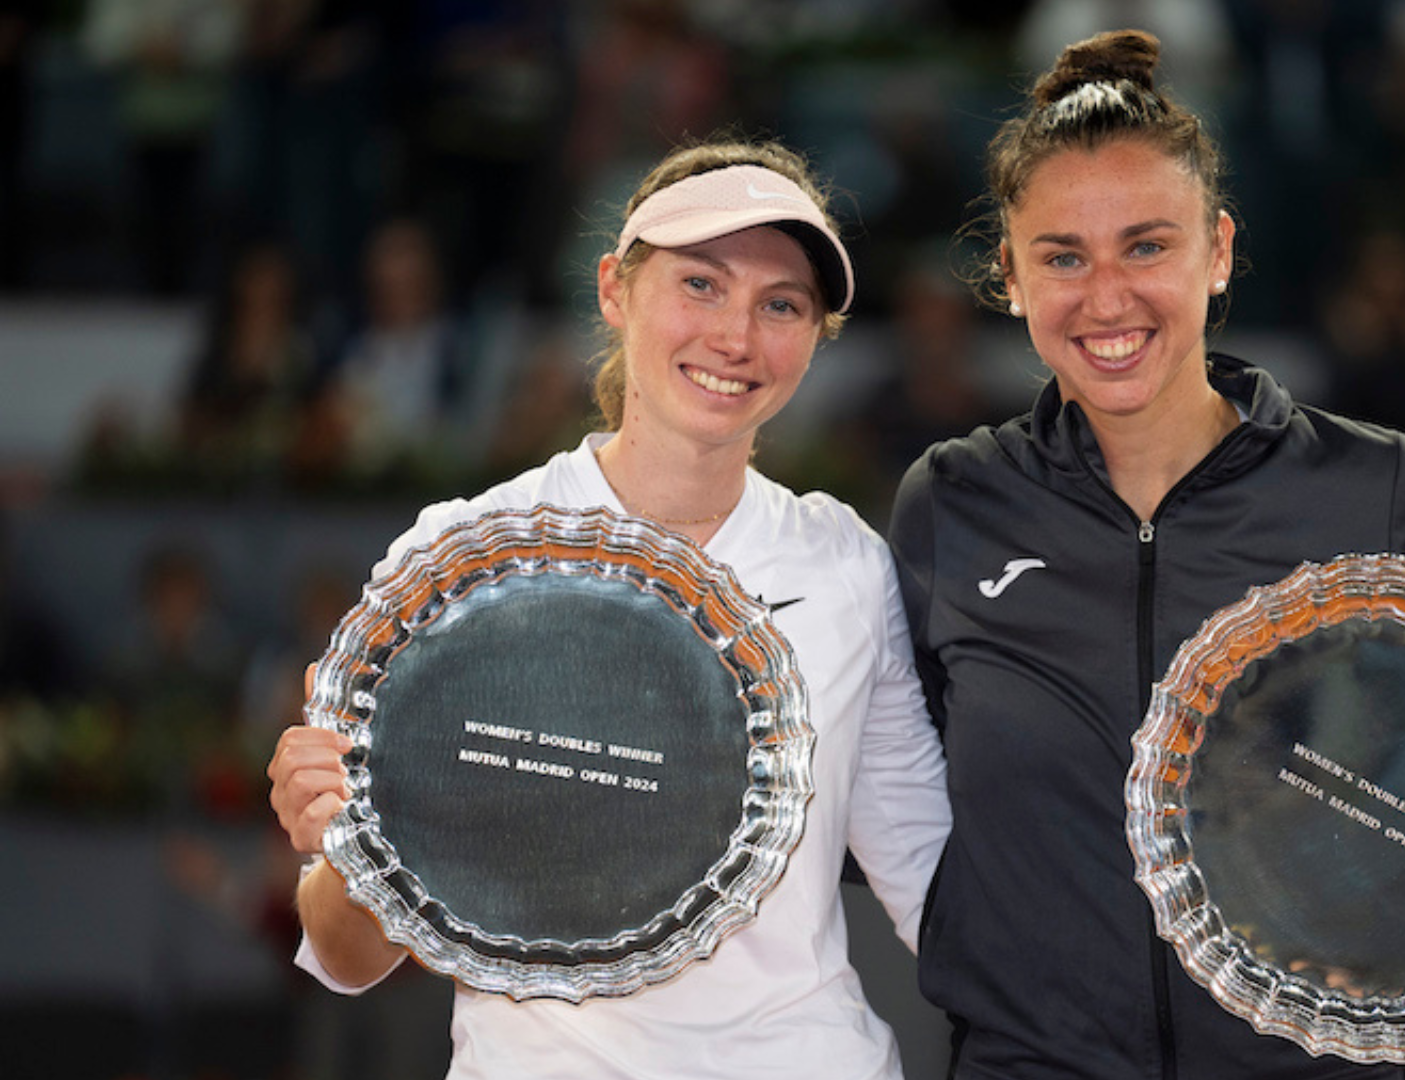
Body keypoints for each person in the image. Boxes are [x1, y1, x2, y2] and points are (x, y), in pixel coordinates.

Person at [888, 31, 1405, 1079]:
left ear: (1220, 251)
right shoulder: (953, 504)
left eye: (1147, 246)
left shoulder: (1379, 491)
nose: (1106, 296)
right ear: (1011, 280)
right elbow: (892, 802)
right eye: (1062, 256)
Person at [267, 138, 951, 1080]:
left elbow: (934, 886)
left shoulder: (847, 566)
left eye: (780, 304)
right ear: (614, 291)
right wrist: (342, 834)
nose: (736, 337)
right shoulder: (463, 558)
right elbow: (350, 958)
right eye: (700, 284)